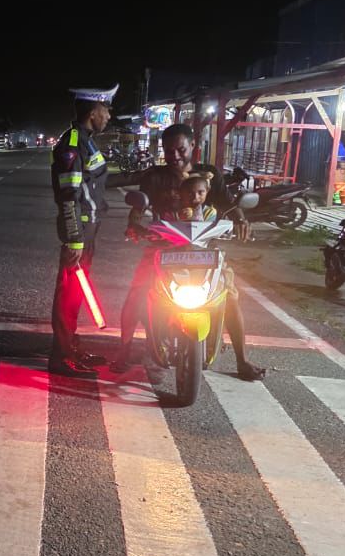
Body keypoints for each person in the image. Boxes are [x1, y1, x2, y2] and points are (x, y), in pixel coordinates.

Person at [113, 169, 265, 381]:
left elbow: (231, 211)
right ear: (180, 193)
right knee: (139, 293)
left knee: (230, 297)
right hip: (169, 258)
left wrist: (240, 224)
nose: (195, 197)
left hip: (207, 261)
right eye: (190, 193)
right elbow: (140, 212)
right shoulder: (167, 202)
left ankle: (242, 360)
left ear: (206, 192)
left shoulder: (212, 211)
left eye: (200, 193)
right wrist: (137, 228)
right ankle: (125, 350)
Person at [48, 84, 116, 377]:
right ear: (93, 112)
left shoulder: (87, 142)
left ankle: (71, 347)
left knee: (76, 293)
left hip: (89, 230)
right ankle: (61, 358)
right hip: (79, 232)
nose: (109, 116)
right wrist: (74, 238)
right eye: (106, 109)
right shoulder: (73, 145)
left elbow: (97, 182)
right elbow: (69, 195)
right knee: (68, 295)